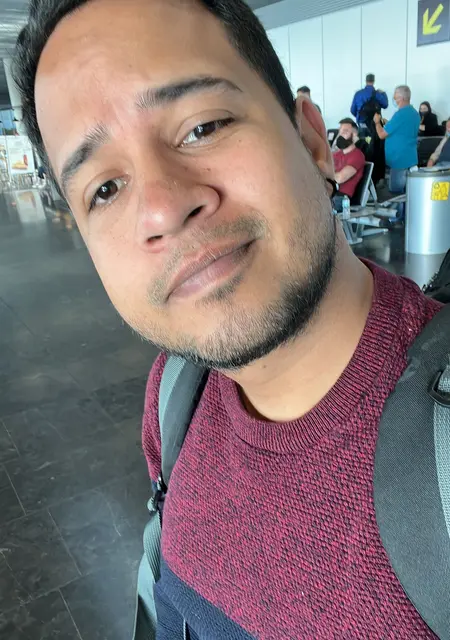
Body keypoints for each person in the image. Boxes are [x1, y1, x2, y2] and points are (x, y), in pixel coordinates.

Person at [14, 0, 442, 637]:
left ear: (311, 141)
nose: (162, 210)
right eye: (105, 189)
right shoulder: (174, 398)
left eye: (203, 127)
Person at [374, 85, 421, 194]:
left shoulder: (400, 114)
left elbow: (381, 134)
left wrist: (377, 122)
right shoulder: (415, 113)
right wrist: (389, 123)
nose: (394, 99)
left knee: (396, 193)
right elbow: (403, 130)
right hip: (411, 158)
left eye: (395, 97)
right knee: (409, 193)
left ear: (402, 98)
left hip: (399, 160)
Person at [332, 118, 365, 199]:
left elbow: (340, 178)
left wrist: (325, 174)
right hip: (328, 192)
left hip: (341, 197)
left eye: (345, 132)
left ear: (354, 135)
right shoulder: (336, 154)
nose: (340, 135)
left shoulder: (357, 156)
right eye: (340, 132)